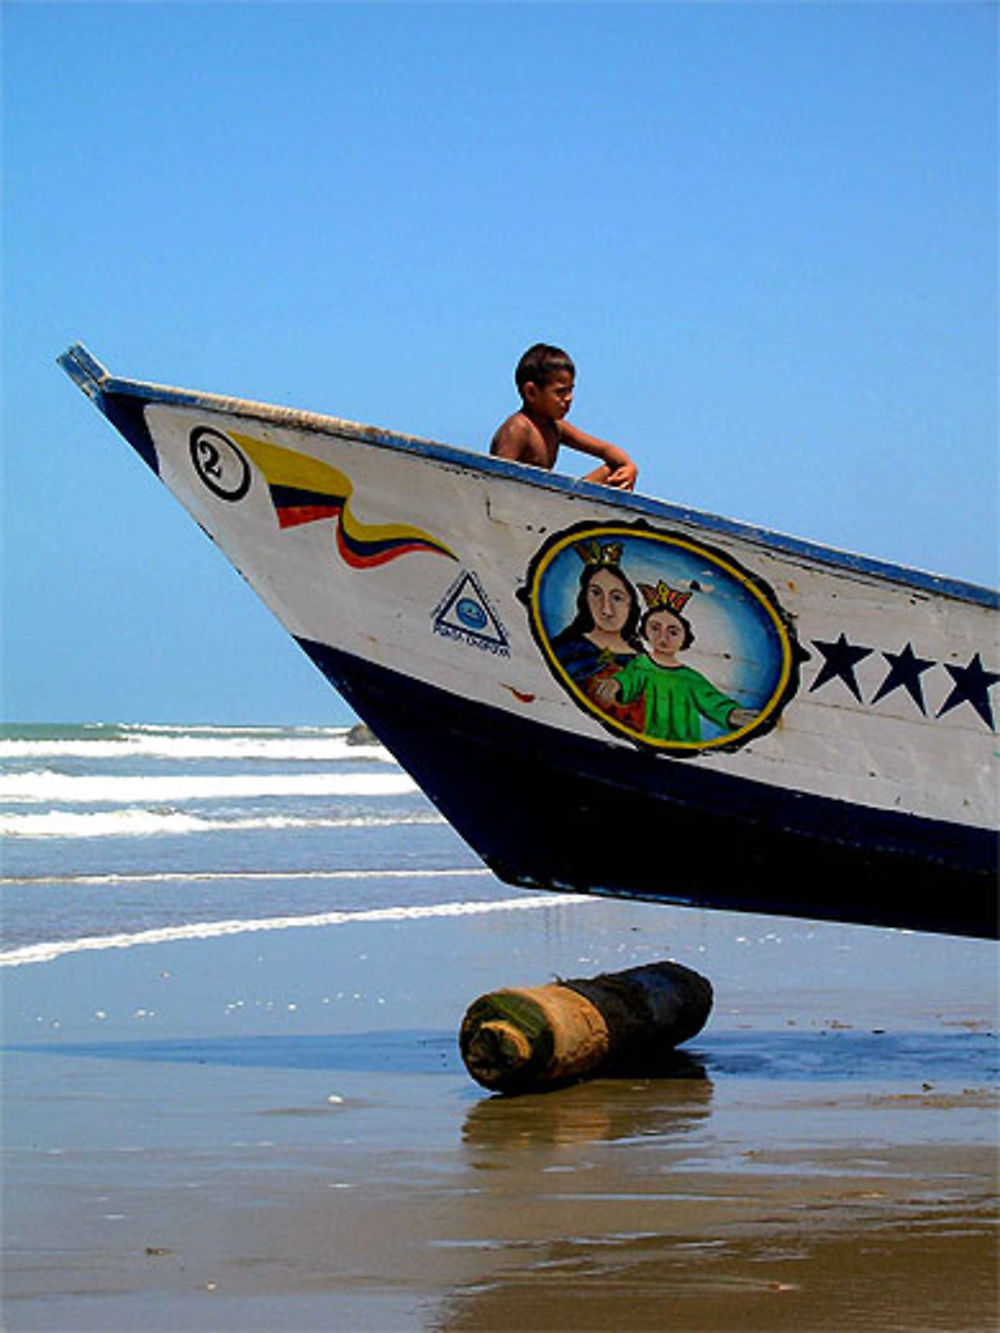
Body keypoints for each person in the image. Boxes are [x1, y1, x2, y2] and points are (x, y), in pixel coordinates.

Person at [594, 582, 758, 743]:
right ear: (644, 630)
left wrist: (730, 713)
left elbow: (711, 700)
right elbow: (630, 677)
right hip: (651, 738)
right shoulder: (642, 664)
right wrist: (616, 683)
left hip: (685, 741)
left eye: (672, 632)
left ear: (684, 638)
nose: (662, 638)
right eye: (655, 628)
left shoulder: (690, 678)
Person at [490, 344, 638, 491]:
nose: (569, 398)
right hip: (518, 504)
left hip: (547, 502)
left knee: (614, 471)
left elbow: (606, 450)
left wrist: (629, 466)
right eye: (560, 392)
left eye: (570, 390)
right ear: (531, 393)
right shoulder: (519, 429)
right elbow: (495, 483)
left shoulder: (556, 426)